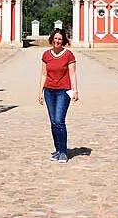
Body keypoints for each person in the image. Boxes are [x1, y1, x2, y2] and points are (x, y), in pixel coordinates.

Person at [37, 28, 78, 163]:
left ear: (63, 40)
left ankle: (63, 151)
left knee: (59, 121)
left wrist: (75, 90)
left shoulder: (69, 55)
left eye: (60, 39)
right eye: (55, 38)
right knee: (53, 122)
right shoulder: (46, 55)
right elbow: (44, 74)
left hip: (63, 91)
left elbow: (72, 73)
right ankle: (57, 150)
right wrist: (40, 92)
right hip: (49, 91)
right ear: (52, 39)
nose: (57, 41)